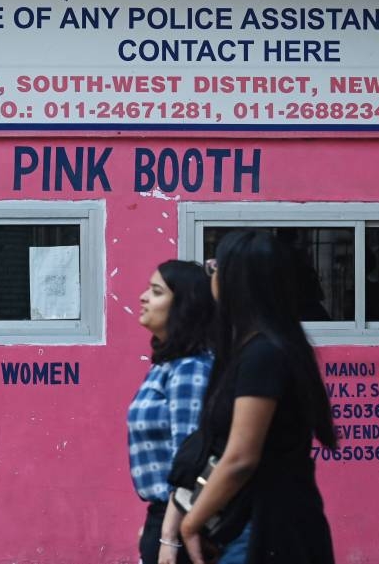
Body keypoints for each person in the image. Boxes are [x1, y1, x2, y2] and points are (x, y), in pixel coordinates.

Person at [178, 230, 338, 564]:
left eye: (215, 267)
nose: (211, 275)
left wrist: (190, 525)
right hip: (253, 523)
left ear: (237, 279)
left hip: (267, 528)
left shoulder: (263, 355)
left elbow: (240, 458)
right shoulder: (257, 348)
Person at [127, 260, 215, 564]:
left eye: (156, 291)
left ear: (183, 307)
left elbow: (189, 462)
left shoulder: (190, 369)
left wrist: (168, 536)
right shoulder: (166, 366)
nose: (143, 297)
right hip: (163, 514)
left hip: (182, 518)